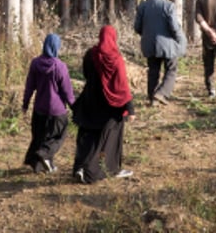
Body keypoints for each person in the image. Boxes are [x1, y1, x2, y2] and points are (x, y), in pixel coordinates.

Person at [71, 25, 135, 183]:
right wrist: (130, 109)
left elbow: (86, 73)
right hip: (109, 106)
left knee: (87, 136)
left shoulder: (90, 54)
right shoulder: (116, 59)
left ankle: (80, 166)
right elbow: (122, 86)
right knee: (109, 139)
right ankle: (104, 170)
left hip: (90, 100)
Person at [21, 32, 76, 173]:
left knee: (40, 137)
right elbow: (67, 90)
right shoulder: (60, 66)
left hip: (39, 109)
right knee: (59, 135)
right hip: (56, 110)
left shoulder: (35, 63)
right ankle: (44, 156)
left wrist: (25, 104)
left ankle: (41, 165)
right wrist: (74, 107)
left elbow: (29, 86)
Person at [133, 0, 187, 104]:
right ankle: (162, 93)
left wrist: (147, 35)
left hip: (149, 44)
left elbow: (137, 27)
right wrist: (179, 39)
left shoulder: (142, 7)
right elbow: (174, 27)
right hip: (167, 44)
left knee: (153, 71)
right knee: (171, 69)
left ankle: (153, 98)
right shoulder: (168, 6)